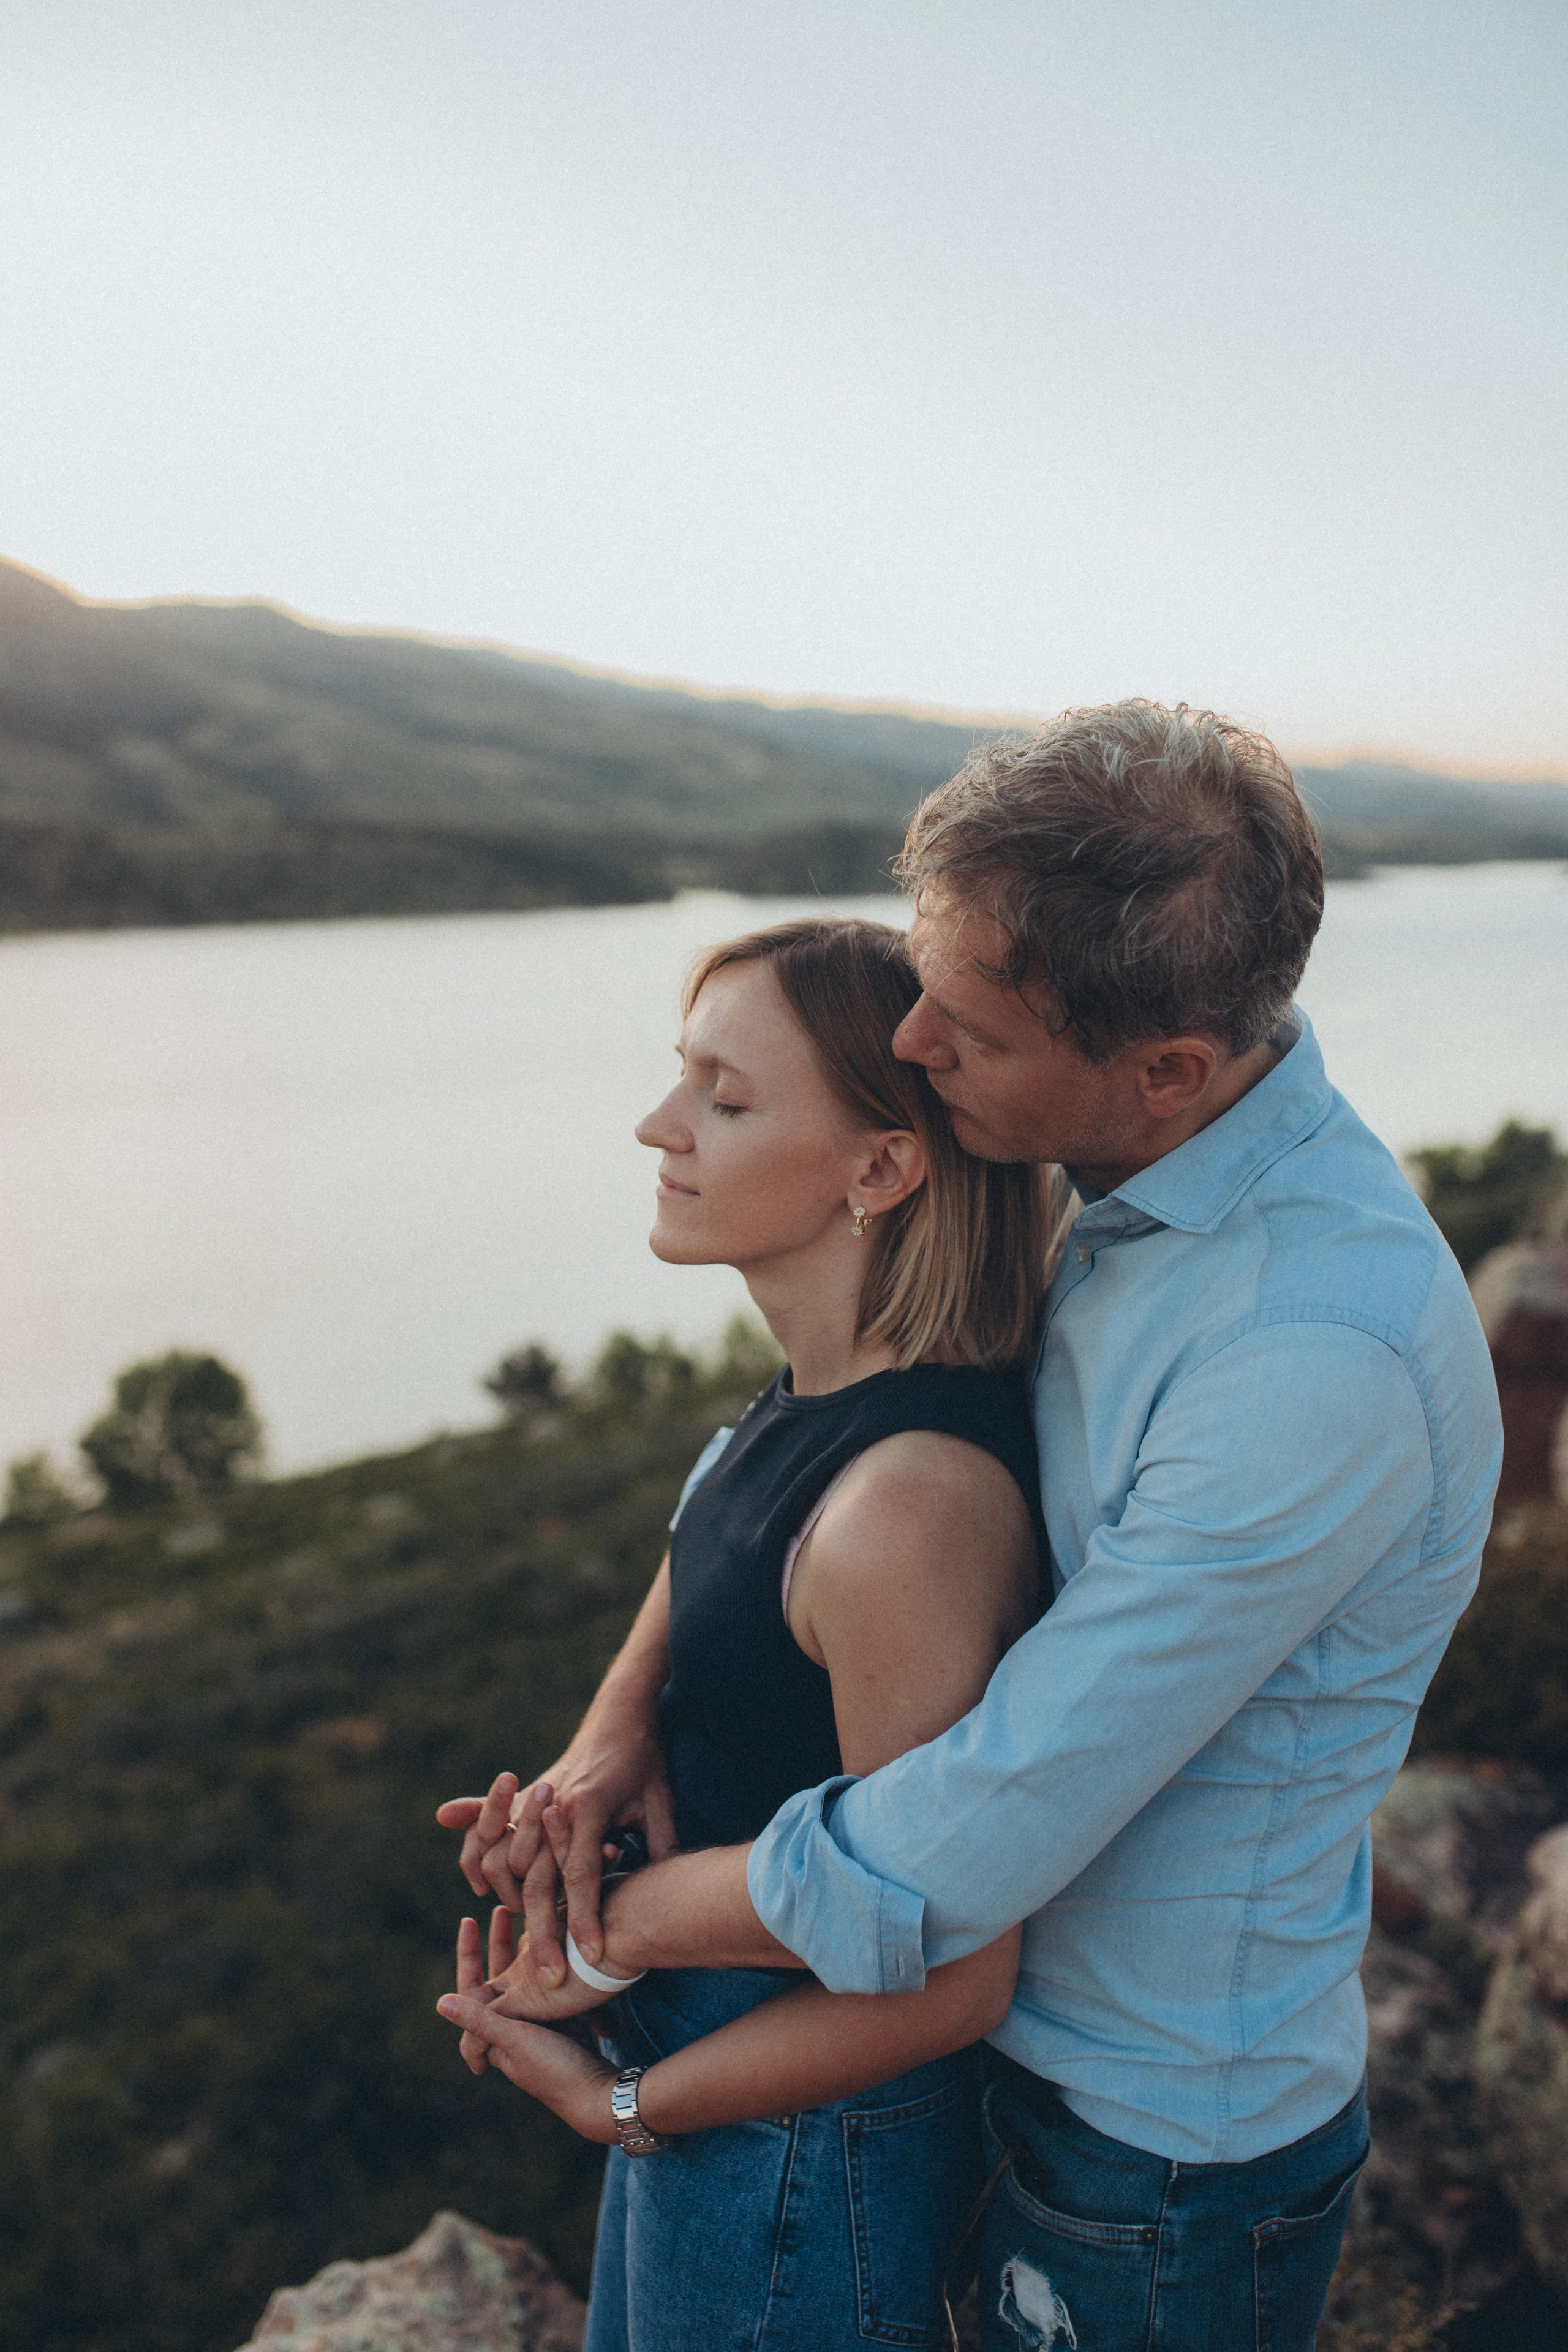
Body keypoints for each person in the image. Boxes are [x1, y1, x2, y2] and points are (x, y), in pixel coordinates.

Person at [444, 702, 1502, 2352]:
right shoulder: (1123, 1171)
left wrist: (616, 1932)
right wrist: (613, 1734)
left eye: (970, 1028)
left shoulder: (1311, 1350)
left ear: (1165, 1068)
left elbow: (978, 1830)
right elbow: (782, 1448)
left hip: (1148, 2143)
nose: (920, 1048)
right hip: (969, 2063)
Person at [441, 914, 1058, 2350]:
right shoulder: (809, 1397)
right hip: (732, 2101)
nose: (660, 1127)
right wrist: (613, 1738)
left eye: (724, 1099)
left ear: (879, 1167)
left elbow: (957, 1974)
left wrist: (622, 2108)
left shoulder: (909, 1513)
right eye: (683, 1079)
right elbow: (723, 1519)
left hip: (800, 2146)